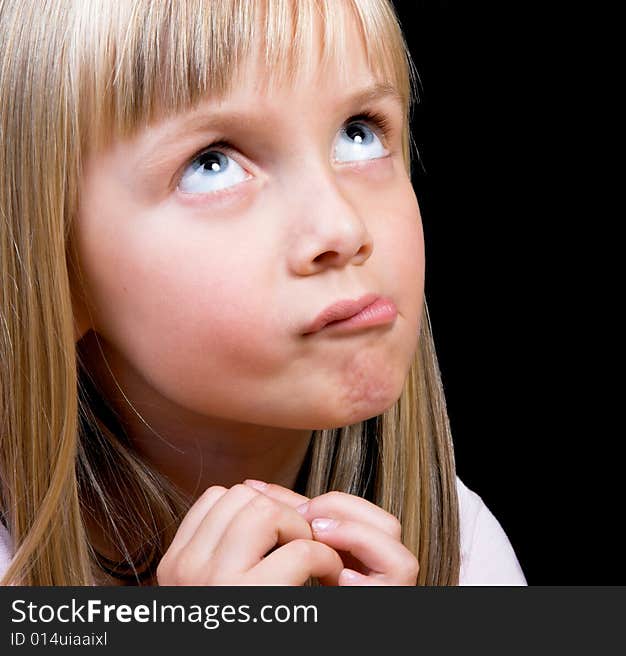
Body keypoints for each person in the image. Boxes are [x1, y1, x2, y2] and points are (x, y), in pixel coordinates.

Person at [0, 0, 525, 586]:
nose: (344, 231)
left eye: (359, 134)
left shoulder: (464, 554)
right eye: (212, 163)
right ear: (57, 265)